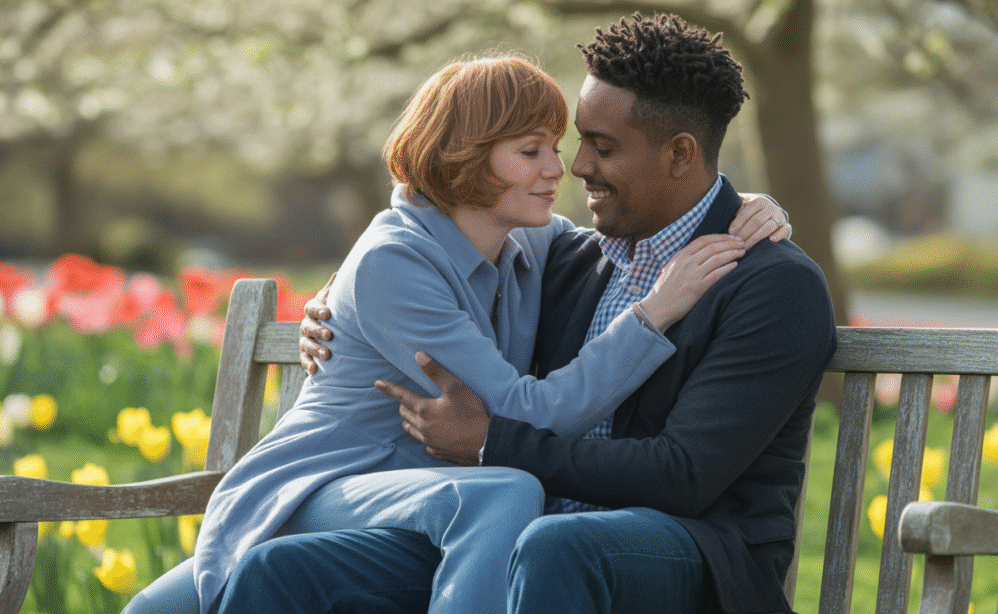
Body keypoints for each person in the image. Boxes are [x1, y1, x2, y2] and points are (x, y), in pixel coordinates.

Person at [124, 52, 788, 614]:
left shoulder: (528, 244)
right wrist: (653, 314)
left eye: (553, 149)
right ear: (463, 159)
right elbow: (530, 411)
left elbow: (661, 225)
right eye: (530, 152)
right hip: (323, 486)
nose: (562, 171)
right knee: (508, 490)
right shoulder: (391, 260)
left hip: (428, 497)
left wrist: (744, 208)